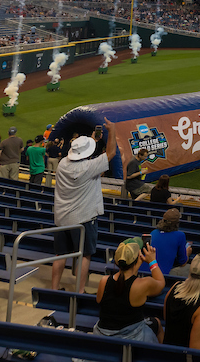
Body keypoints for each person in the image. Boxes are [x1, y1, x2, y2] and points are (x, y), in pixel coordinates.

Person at [50, 120, 118, 291]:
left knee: (60, 254)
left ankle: (53, 288)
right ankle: (79, 291)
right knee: (84, 255)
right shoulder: (89, 167)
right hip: (83, 219)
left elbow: (81, 156)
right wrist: (113, 131)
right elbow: (111, 153)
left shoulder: (63, 164)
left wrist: (91, 142)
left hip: (62, 217)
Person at [95, 238, 165, 343]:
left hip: (102, 334)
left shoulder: (104, 281)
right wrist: (152, 262)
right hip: (132, 337)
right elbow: (161, 283)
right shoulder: (143, 284)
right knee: (157, 323)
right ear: (138, 258)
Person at [140, 208, 190, 276]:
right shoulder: (180, 235)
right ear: (177, 223)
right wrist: (188, 252)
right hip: (159, 278)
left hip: (141, 274)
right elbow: (182, 262)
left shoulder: (153, 232)